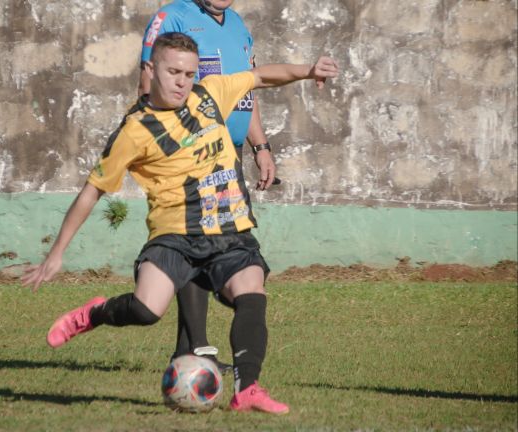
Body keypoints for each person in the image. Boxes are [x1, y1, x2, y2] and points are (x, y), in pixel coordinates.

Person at [22, 32, 338, 414]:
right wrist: (57, 253)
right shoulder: (135, 130)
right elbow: (92, 191)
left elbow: (260, 77)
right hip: (175, 235)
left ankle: (248, 389)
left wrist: (307, 70)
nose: (182, 82)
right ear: (151, 69)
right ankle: (93, 314)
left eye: (189, 73)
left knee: (252, 294)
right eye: (173, 72)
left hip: (229, 231)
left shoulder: (208, 94)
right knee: (145, 311)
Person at [139, 0, 277, 372]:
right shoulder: (175, 16)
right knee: (193, 241)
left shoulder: (237, 26)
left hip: (228, 155)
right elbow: (149, 82)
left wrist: (260, 146)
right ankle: (196, 346)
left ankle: (188, 350)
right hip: (189, 152)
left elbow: (245, 92)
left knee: (216, 244)